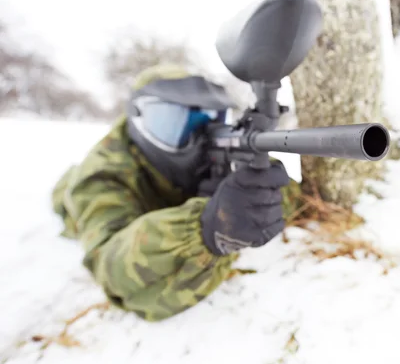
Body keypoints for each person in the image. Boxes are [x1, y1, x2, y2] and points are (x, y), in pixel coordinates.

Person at [51, 64, 301, 321]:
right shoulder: (102, 175)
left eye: (210, 118)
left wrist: (258, 188)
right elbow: (113, 269)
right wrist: (202, 229)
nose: (198, 137)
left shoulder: (213, 154)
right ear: (137, 118)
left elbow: (290, 198)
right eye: (173, 121)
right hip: (73, 199)